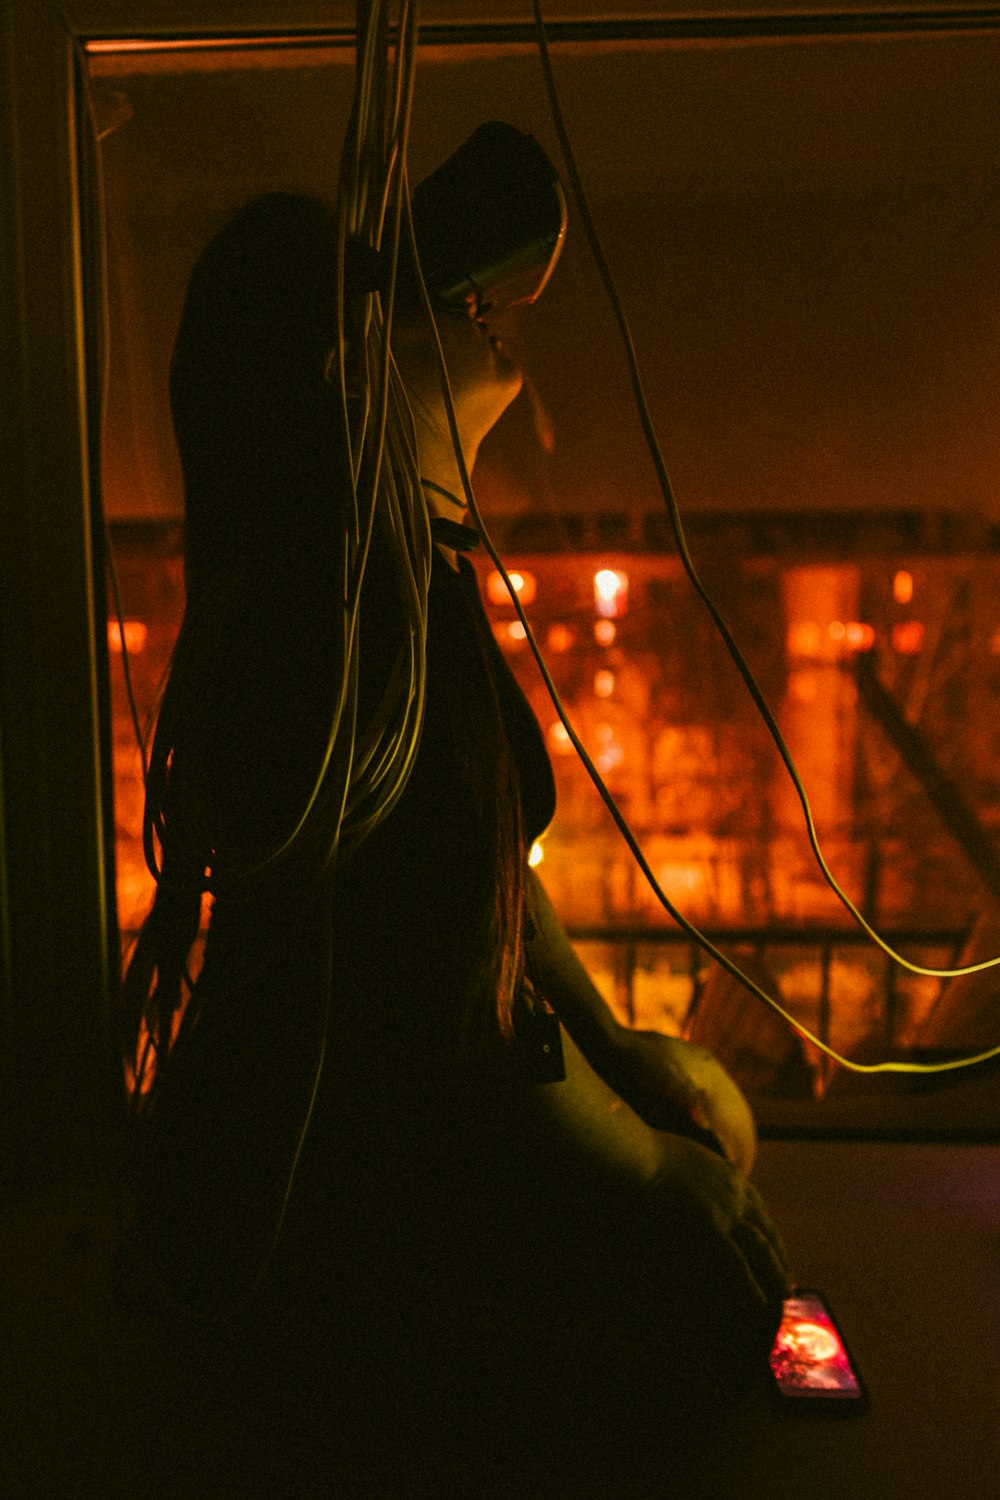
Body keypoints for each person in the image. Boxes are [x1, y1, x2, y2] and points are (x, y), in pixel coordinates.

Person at [116, 191, 790, 1498]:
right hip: (352, 1228)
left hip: (310, 1183)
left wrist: (615, 1050)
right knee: (711, 1291)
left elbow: (484, 893)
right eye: (423, 301)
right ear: (345, 370)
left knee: (709, 1144)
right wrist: (650, 1171)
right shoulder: (354, 628)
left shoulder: (383, 584)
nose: (480, 311)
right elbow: (438, 1022)